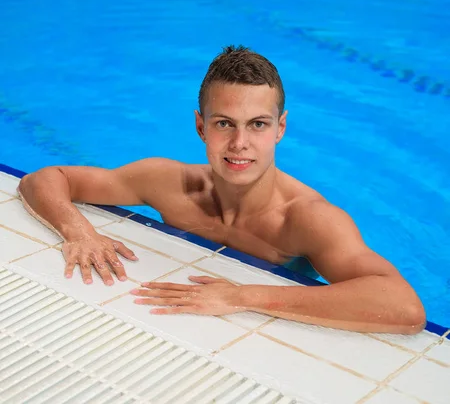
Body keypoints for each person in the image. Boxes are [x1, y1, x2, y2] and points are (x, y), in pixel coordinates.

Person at [18, 46, 426, 334]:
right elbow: (46, 178)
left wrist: (243, 297)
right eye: (224, 123)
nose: (239, 144)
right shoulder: (167, 182)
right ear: (201, 126)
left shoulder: (306, 218)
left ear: (280, 128)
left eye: (258, 125)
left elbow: (403, 307)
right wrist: (79, 231)